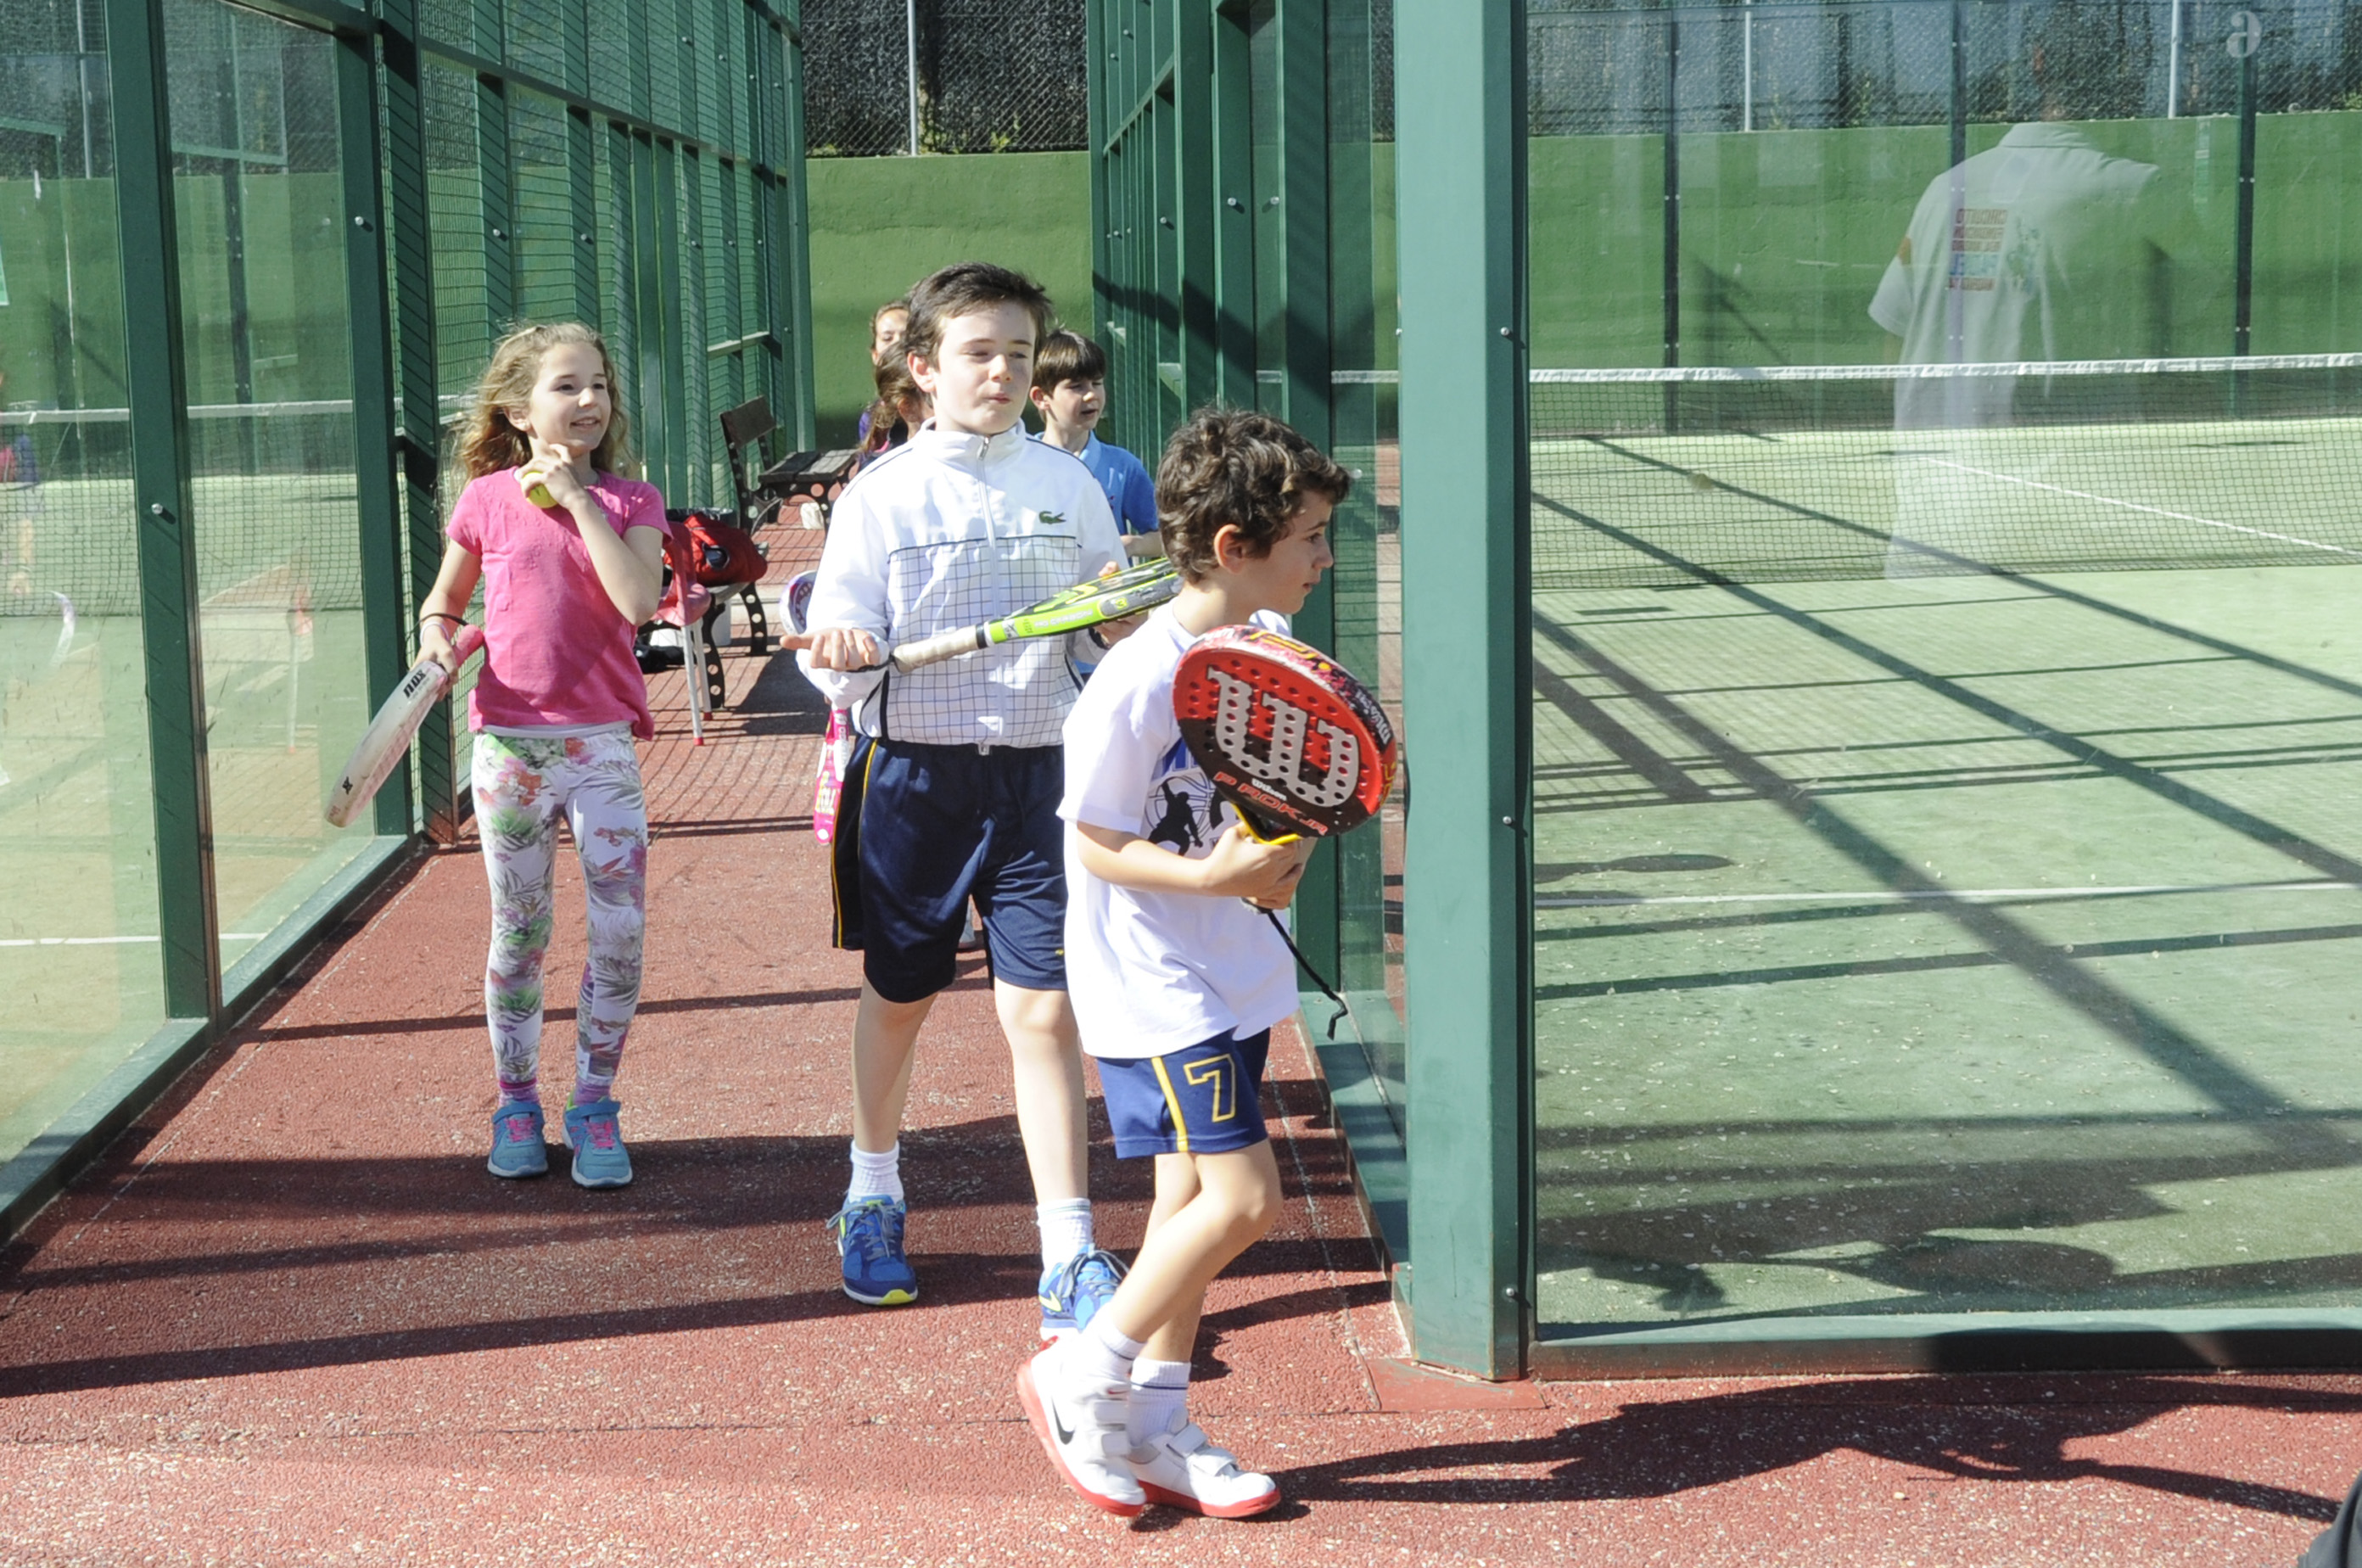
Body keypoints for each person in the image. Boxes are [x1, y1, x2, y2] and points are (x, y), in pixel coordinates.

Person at [1021, 406, 1346, 1520]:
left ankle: (1154, 1421)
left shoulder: (1264, 659)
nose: (1324, 556)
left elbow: (1267, 805)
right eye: (1307, 536)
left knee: (1184, 1203)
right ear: (1233, 547)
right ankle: (1083, 1375)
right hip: (1156, 981)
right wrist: (1213, 882)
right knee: (1246, 1199)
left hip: (1234, 964)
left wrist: (1273, 856)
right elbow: (1094, 841)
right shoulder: (1137, 678)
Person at [798, 262, 1131, 1332]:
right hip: (914, 783)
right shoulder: (881, 494)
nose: (1001, 371)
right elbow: (838, 643)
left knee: (1042, 1009)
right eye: (979, 352)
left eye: (1019, 354)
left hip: (1040, 782)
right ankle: (871, 1189)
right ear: (923, 368)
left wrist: (1114, 626)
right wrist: (843, 648)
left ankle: (1069, 1252)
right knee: (901, 998)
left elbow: (1103, 613)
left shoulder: (1068, 485)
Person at [416, 322, 669, 1190]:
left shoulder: (634, 501)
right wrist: (435, 648)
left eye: (600, 384)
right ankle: (516, 1099)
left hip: (599, 747)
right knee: (521, 931)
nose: (591, 400)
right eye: (568, 386)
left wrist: (581, 501)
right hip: (510, 751)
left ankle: (594, 1102)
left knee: (622, 931)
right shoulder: (486, 501)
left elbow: (638, 602)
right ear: (521, 411)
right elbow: (444, 604)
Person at [1029, 330, 1159, 551]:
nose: (1091, 395)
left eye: (1097, 383)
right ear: (1042, 398)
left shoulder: (1122, 467)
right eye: (1076, 386)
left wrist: (1129, 545)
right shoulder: (1021, 463)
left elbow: (1168, 539)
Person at [854, 297, 911, 450]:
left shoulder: (938, 404)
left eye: (905, 336)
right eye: (887, 338)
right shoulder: (870, 418)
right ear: (875, 355)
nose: (897, 343)